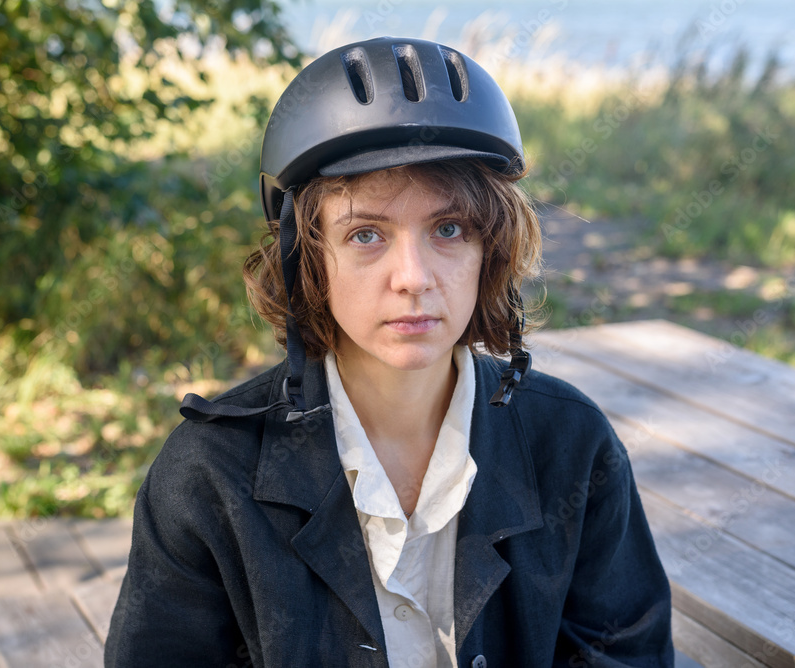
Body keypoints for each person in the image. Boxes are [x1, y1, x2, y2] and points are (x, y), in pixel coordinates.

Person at [104, 37, 674, 668]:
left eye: (448, 229)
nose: (413, 277)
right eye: (366, 234)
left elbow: (627, 655)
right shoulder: (209, 475)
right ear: (309, 259)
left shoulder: (571, 443)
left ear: (493, 250)